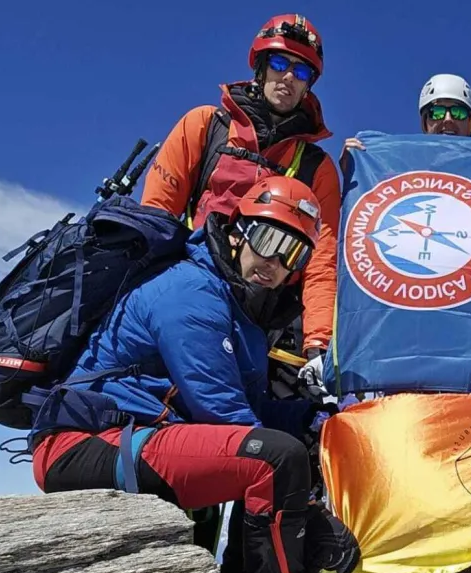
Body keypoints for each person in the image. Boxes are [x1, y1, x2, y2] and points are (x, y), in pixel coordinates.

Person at [30, 177, 362, 573]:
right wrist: (313, 519)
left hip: (139, 437)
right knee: (273, 461)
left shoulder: (238, 312)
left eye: (292, 254)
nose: (275, 262)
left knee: (282, 452)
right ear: (236, 232)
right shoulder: (190, 292)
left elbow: (248, 409)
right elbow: (224, 414)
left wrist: (310, 419)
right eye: (269, 240)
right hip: (84, 442)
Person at [140, 13, 341, 392]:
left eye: (301, 72)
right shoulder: (205, 126)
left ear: (309, 85)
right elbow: (155, 220)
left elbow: (320, 263)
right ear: (260, 67)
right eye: (279, 63)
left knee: (292, 415)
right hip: (194, 288)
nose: (288, 77)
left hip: (271, 314)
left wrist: (318, 343)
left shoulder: (318, 167)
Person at [340, 73, 471, 159]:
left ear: (470, 123)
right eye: (437, 113)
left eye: (459, 113)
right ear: (424, 122)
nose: (448, 119)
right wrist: (356, 166)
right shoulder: (399, 163)